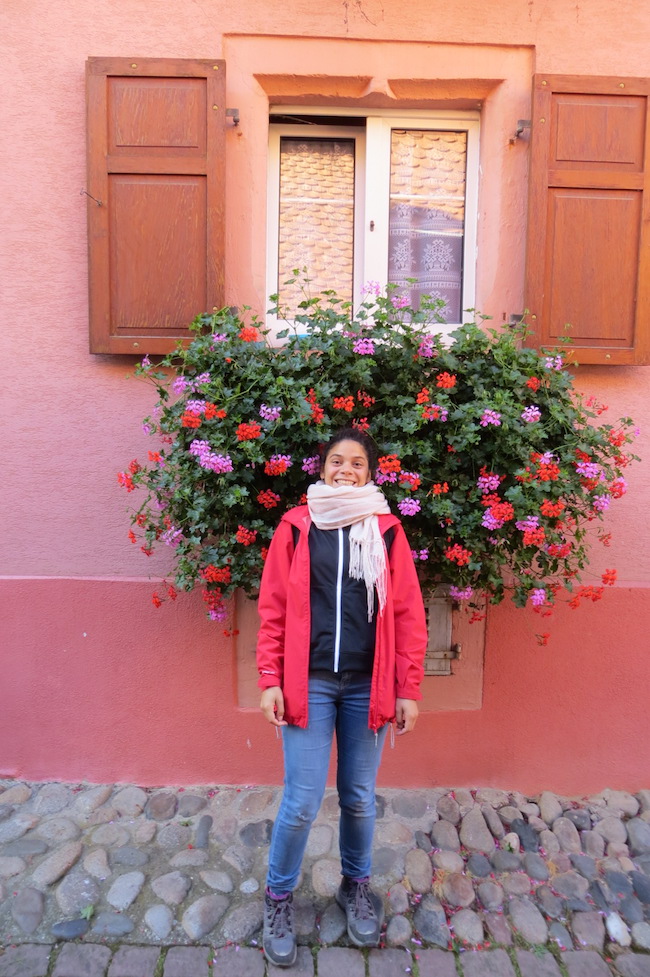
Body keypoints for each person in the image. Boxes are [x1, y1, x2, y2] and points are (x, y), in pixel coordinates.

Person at [256, 428, 427, 967]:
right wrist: (270, 678)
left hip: (366, 686)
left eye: (356, 462)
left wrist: (408, 687)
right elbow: (273, 607)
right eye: (337, 460)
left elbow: (408, 613)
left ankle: (355, 887)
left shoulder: (386, 530)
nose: (345, 470)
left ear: (370, 473)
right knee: (302, 801)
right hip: (308, 683)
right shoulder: (297, 526)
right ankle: (277, 897)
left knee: (357, 796)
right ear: (323, 467)